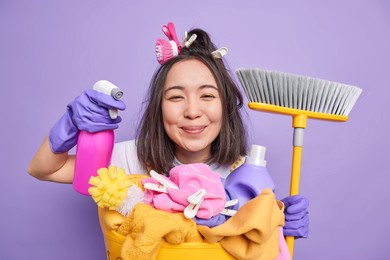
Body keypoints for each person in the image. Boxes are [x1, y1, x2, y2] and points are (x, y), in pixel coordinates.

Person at [28, 23, 309, 239]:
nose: (192, 111)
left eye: (207, 96)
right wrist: (68, 126)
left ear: (225, 106)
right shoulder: (130, 159)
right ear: (159, 107)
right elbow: (45, 170)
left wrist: (272, 223)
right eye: (176, 97)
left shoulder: (245, 174)